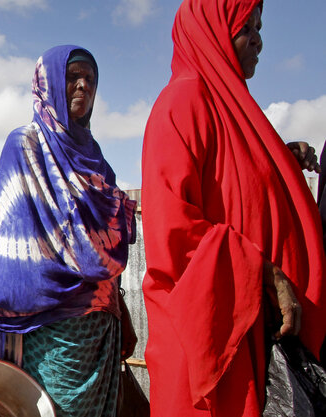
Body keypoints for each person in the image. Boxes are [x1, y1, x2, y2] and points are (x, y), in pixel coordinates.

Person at [141, 1, 326, 415]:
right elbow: (171, 231)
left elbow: (240, 186)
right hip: (211, 339)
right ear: (213, 31)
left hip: (254, 333)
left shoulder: (235, 111)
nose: (258, 40)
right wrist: (265, 270)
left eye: (259, 28)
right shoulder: (183, 103)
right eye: (247, 28)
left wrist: (282, 159)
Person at [0, 46, 138, 417]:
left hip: (101, 320)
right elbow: (14, 247)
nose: (82, 86)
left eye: (90, 79)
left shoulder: (96, 159)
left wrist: (120, 310)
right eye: (72, 77)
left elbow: (104, 253)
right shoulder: (25, 144)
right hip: (50, 322)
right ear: (48, 85)